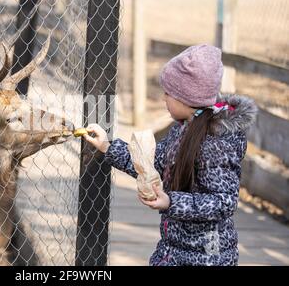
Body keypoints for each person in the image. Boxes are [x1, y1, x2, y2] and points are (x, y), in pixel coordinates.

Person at [83, 45, 257, 266]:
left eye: (168, 93)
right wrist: (108, 146)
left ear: (186, 97)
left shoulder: (217, 143)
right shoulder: (183, 128)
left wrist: (170, 202)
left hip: (207, 255)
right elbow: (151, 164)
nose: (164, 98)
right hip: (173, 247)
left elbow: (223, 201)